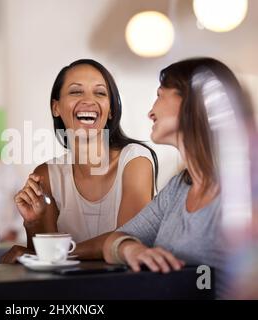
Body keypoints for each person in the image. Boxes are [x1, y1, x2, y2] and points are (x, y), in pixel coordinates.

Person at [1, 59, 158, 263]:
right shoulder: (47, 174)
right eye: (76, 92)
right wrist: (33, 223)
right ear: (56, 107)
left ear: (110, 110)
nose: (89, 100)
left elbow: (128, 239)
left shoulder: (135, 161)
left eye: (100, 93)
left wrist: (58, 253)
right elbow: (46, 263)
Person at [103, 58, 241, 281]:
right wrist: (133, 250)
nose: (150, 112)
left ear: (190, 100)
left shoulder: (241, 190)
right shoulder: (178, 188)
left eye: (159, 95)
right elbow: (115, 241)